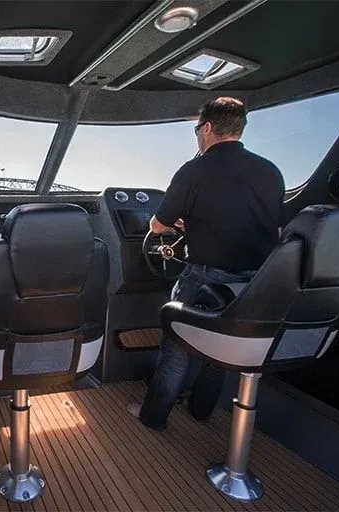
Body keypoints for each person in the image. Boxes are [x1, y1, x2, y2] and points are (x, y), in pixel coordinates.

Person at [128, 97, 285, 430]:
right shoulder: (271, 171)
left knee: (176, 345)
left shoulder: (195, 169)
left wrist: (183, 224)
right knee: (222, 347)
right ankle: (201, 410)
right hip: (253, 283)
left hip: (203, 276)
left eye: (197, 129)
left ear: (208, 128)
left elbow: (157, 226)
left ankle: (153, 416)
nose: (198, 136)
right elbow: (278, 230)